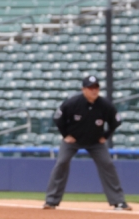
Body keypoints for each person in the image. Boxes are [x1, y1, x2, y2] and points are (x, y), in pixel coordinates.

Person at [44, 75, 132, 211]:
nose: (94, 91)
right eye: (90, 88)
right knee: (62, 162)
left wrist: (106, 136)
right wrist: (65, 135)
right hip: (73, 140)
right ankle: (51, 201)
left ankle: (118, 201)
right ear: (83, 89)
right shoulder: (73, 103)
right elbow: (58, 118)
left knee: (107, 164)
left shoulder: (104, 105)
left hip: (95, 141)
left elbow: (116, 121)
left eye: (96, 87)